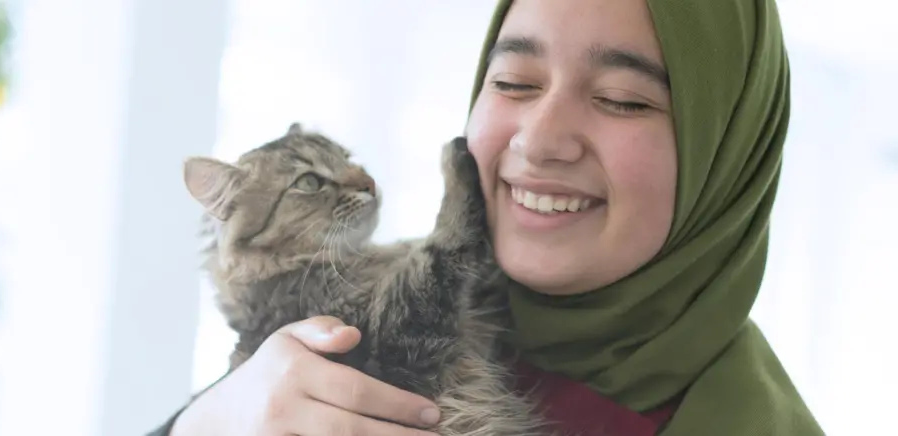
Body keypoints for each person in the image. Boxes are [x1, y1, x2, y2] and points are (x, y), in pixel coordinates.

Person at [151, 0, 825, 434]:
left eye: (622, 99)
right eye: (514, 83)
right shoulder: (325, 332)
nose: (540, 139)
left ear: (726, 151)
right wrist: (201, 425)